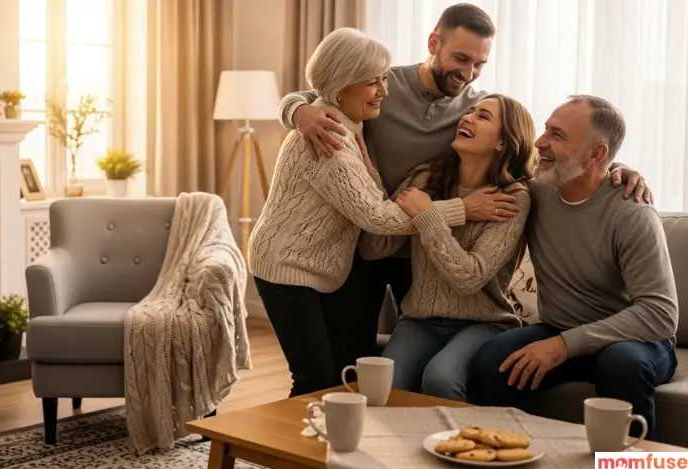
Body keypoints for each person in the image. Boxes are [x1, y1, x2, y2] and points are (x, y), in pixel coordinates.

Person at [276, 3, 654, 358]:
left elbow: (533, 156)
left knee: (415, 359)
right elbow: (317, 93)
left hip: (425, 253)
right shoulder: (383, 84)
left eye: (479, 64)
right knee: (351, 356)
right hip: (368, 240)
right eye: (461, 58)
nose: (468, 72)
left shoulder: (476, 110)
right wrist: (298, 113)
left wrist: (613, 169)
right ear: (433, 43)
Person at [247, 27, 474, 469]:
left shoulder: (350, 125)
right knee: (313, 378)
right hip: (288, 267)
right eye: (372, 81)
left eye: (382, 80)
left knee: (335, 373)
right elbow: (377, 215)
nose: (384, 90)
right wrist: (462, 210)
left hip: (326, 268)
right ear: (343, 81)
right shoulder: (328, 137)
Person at [468, 95, 678, 439]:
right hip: (562, 329)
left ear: (597, 154)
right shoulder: (537, 190)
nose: (540, 142)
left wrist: (564, 345)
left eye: (557, 135)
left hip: (636, 342)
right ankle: (522, 458)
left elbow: (660, 314)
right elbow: (486, 154)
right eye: (546, 129)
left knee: (621, 363)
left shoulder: (633, 212)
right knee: (493, 361)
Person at [358, 94, 536, 402]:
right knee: (384, 387)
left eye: (483, 116)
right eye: (470, 111)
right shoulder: (426, 178)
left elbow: (469, 277)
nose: (467, 118)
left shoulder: (514, 198)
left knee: (441, 377)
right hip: (419, 320)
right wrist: (369, 178)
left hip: (484, 322)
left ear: (503, 143)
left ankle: (454, 449)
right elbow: (374, 246)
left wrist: (427, 214)